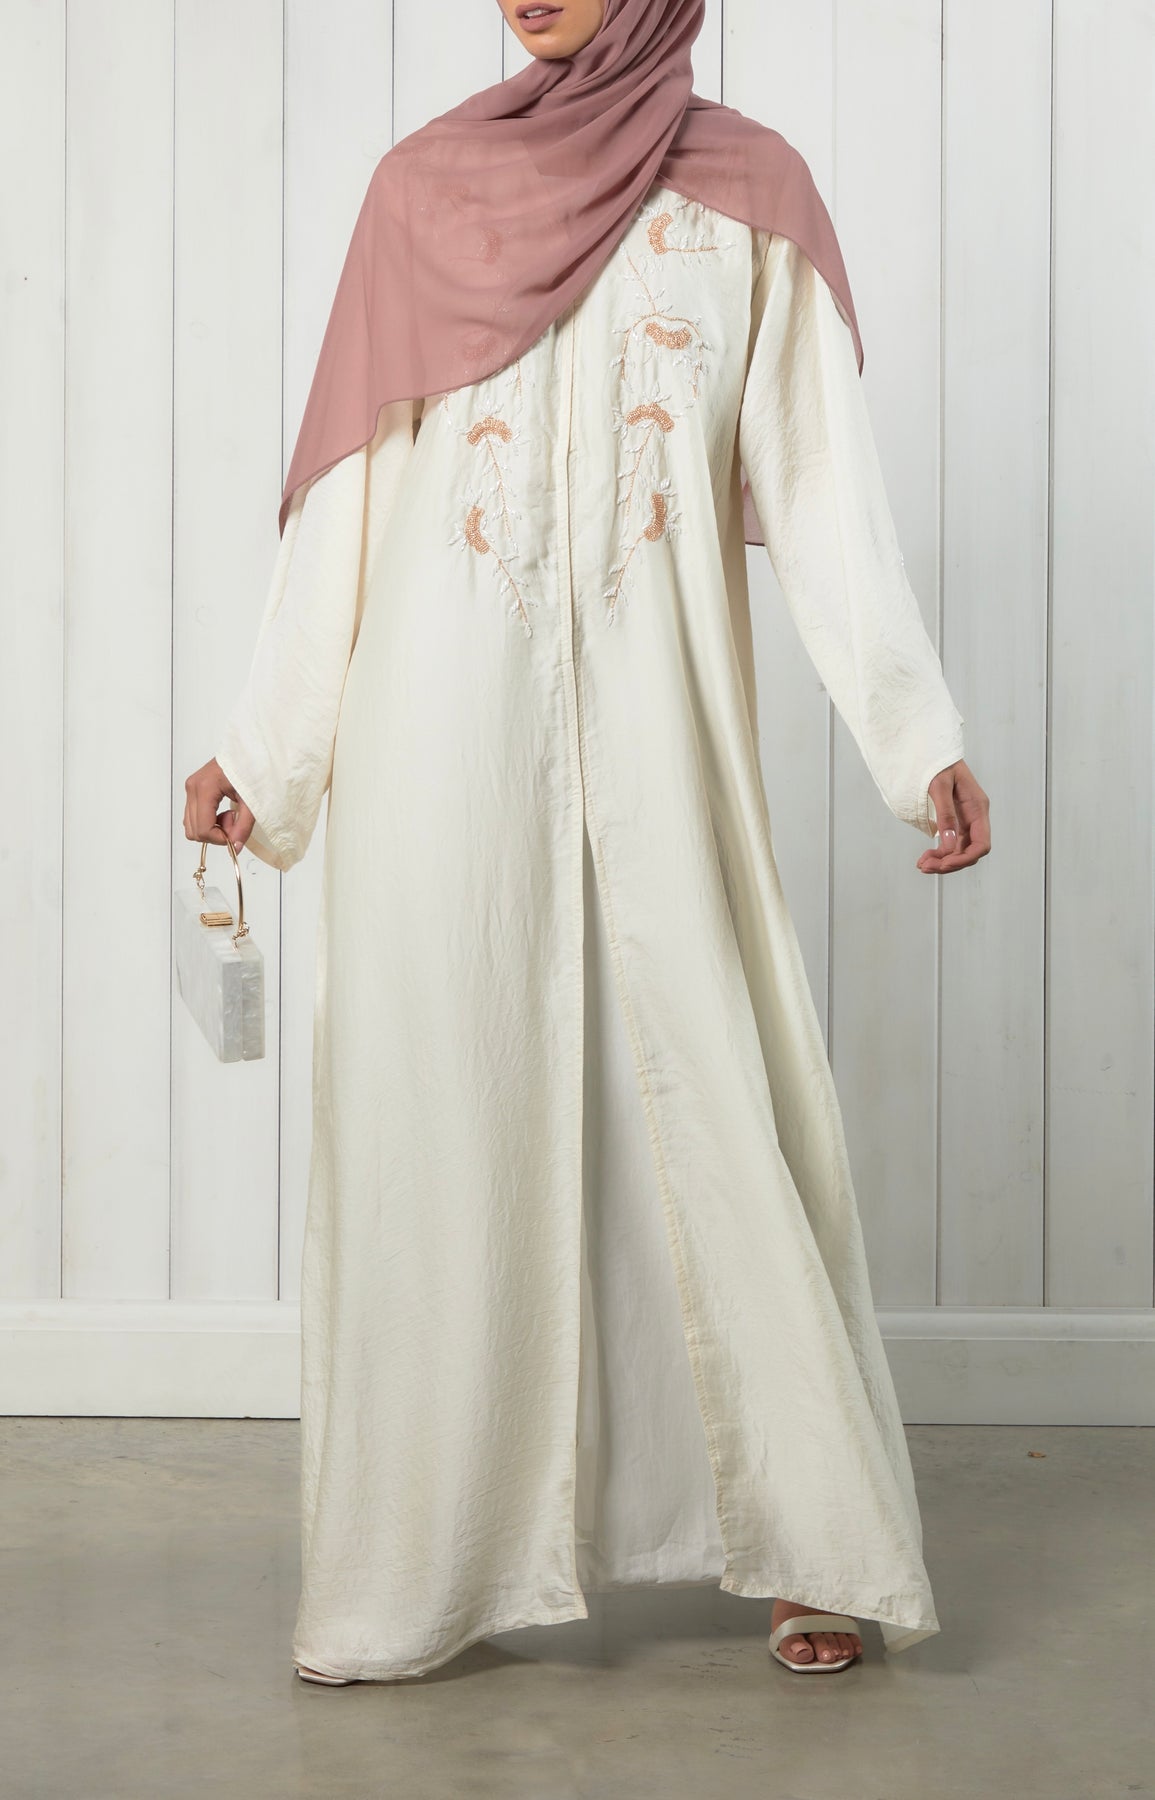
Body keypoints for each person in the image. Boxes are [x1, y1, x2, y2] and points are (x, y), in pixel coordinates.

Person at [183, 0, 991, 1684]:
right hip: (435, 736)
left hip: (660, 720)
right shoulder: (423, 194)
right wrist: (265, 747)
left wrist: (916, 738)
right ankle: (413, 1576)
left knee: (714, 1093)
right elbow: (347, 499)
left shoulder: (752, 200)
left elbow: (824, 496)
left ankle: (812, 1535)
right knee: (440, 1120)